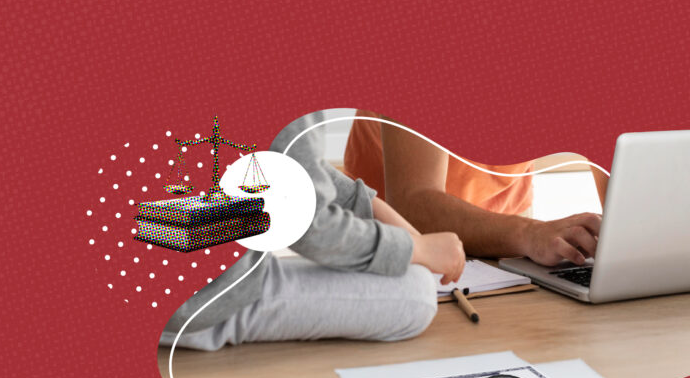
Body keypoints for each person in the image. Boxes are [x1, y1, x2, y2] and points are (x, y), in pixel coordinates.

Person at [160, 112, 465, 351]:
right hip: (191, 297)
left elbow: (286, 160)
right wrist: (417, 250)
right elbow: (309, 228)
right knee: (417, 293)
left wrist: (367, 205)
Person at [344, 110, 608, 267]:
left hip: (508, 239)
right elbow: (413, 202)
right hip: (393, 246)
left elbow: (627, 188)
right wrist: (531, 234)